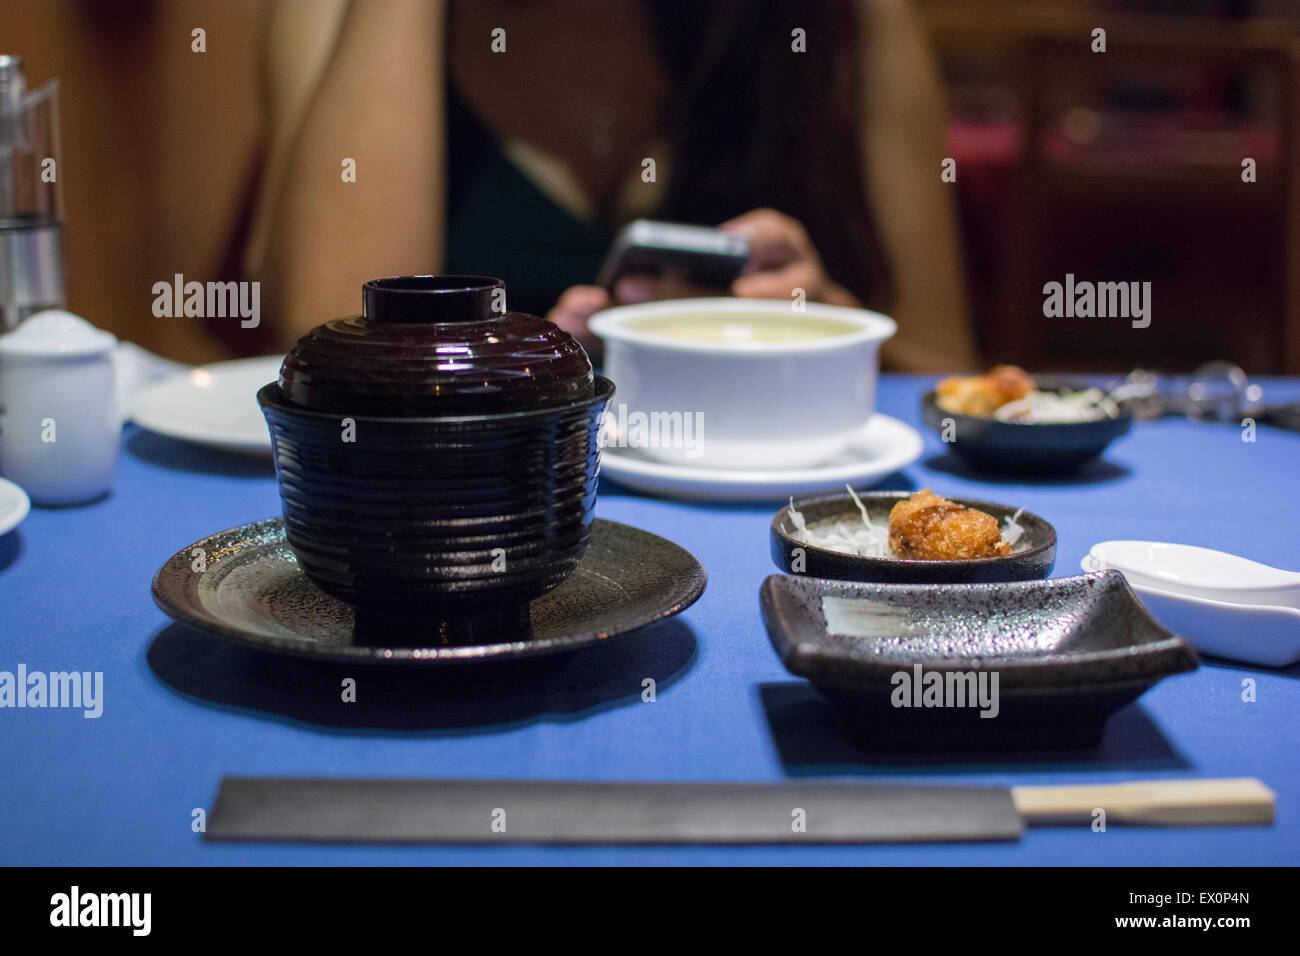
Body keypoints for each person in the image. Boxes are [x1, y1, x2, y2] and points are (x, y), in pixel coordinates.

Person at [245, 0, 977, 371]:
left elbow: (947, 378)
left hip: (761, 526)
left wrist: (831, 332)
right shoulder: (343, 13)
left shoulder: (843, 22)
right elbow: (333, 341)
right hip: (467, 518)